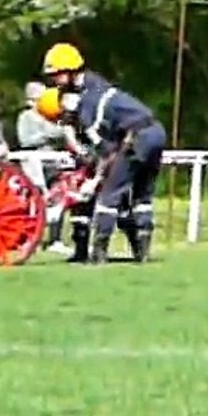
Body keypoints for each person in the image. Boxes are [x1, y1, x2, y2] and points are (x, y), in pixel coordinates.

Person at [41, 43, 167, 264]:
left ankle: (99, 253)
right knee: (142, 195)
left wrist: (95, 181)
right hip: (156, 131)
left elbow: (106, 152)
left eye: (56, 75)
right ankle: (143, 252)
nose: (54, 81)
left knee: (110, 193)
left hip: (136, 137)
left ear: (71, 71)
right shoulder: (97, 86)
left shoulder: (90, 102)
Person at [17, 80, 69, 254]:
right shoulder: (25, 118)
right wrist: (47, 135)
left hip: (52, 163)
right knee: (34, 200)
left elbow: (61, 133)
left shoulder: (51, 117)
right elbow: (25, 140)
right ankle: (30, 238)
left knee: (59, 197)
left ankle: (55, 239)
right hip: (33, 165)